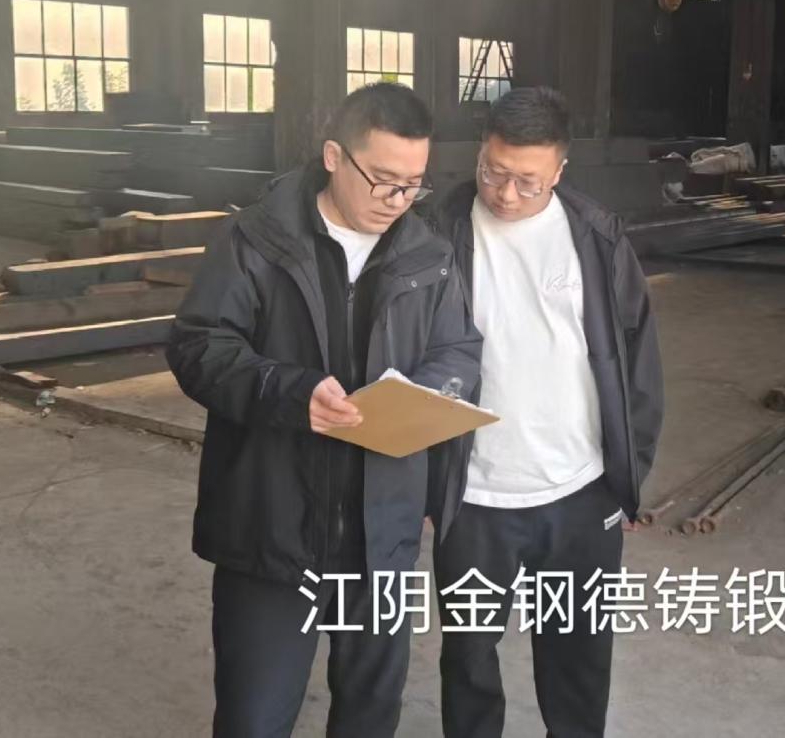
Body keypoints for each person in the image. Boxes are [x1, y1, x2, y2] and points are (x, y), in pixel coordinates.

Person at [167, 83, 482, 738]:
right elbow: (199, 346)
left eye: (413, 185)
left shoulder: (427, 254)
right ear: (335, 156)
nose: (396, 201)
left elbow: (458, 350)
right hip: (272, 530)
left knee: (370, 715)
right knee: (254, 719)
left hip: (381, 538)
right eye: (383, 180)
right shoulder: (256, 240)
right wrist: (288, 393)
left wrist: (428, 395)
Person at [431, 86, 664, 738]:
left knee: (577, 661)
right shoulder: (437, 231)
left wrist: (628, 474)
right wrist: (422, 481)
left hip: (578, 493)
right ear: (480, 152)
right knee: (468, 658)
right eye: (493, 172)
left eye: (527, 182)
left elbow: (638, 362)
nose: (506, 194)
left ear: (558, 171)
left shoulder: (594, 238)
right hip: (473, 498)